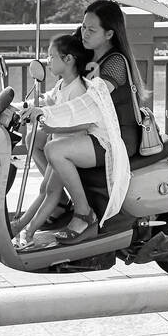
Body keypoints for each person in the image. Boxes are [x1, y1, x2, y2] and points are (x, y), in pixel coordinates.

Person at [14, 30, 131, 248]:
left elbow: (83, 121)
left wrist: (50, 122)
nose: (47, 61)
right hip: (65, 142)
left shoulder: (80, 88)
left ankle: (80, 215)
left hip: (85, 144)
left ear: (68, 60)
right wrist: (20, 109)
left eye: (51, 56)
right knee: (46, 186)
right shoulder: (61, 85)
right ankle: (22, 227)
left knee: (50, 186)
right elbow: (48, 102)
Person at [43, 0, 146, 243]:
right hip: (93, 129)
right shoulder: (88, 54)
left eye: (92, 29)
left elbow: (90, 103)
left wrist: (48, 115)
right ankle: (59, 199)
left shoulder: (116, 63)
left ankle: (83, 213)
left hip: (115, 136)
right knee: (35, 138)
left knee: (55, 149)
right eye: (83, 26)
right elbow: (62, 62)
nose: (84, 33)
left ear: (109, 33)